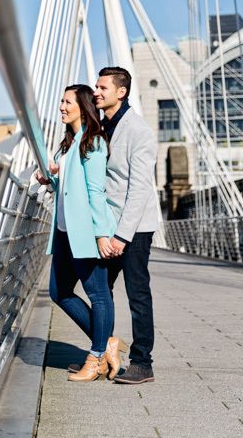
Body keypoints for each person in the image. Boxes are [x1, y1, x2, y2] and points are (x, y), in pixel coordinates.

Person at [36, 84, 126, 382]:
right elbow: (68, 184)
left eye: (67, 102)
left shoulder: (94, 143)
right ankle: (107, 342)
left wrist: (102, 234)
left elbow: (94, 192)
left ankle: (97, 355)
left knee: (98, 295)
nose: (61, 106)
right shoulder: (68, 144)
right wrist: (49, 177)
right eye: (61, 101)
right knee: (59, 292)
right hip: (63, 231)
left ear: (83, 106)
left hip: (86, 231)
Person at [93, 66, 159, 385]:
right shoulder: (100, 127)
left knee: (137, 293)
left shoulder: (139, 131)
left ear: (121, 92)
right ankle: (103, 353)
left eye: (103, 87)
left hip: (134, 227)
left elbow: (140, 188)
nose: (97, 92)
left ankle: (142, 363)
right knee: (99, 288)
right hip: (109, 225)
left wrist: (122, 235)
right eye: (96, 87)